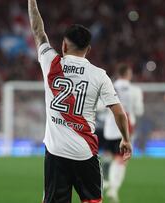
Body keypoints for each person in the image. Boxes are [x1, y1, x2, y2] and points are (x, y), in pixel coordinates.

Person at [28, 1, 132, 202]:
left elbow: (38, 31)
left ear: (64, 45)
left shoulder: (51, 62)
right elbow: (119, 112)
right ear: (89, 49)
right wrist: (126, 138)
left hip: (56, 152)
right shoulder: (99, 75)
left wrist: (32, 1)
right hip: (84, 152)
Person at [103, 63, 144, 202]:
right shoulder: (135, 90)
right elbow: (139, 110)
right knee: (121, 159)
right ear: (128, 74)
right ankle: (113, 188)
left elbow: (99, 107)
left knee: (108, 154)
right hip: (126, 129)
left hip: (110, 127)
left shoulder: (109, 86)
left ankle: (105, 181)